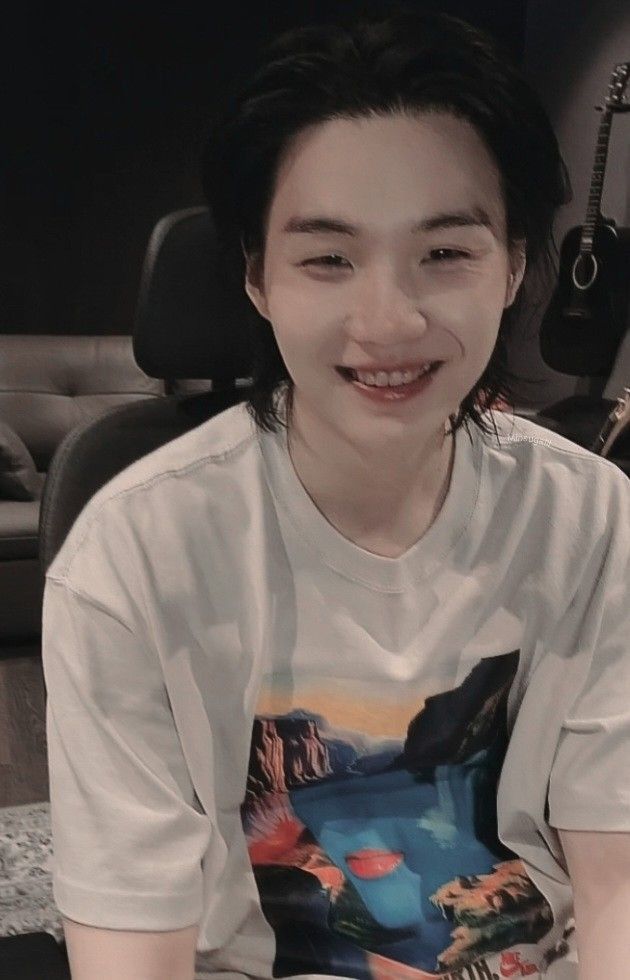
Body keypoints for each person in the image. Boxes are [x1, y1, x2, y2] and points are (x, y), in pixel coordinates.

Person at [41, 5, 630, 980]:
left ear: (516, 264)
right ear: (258, 278)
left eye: (445, 252)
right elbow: (131, 945)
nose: (387, 320)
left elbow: (617, 890)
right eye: (328, 258)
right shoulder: (136, 555)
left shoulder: (596, 521)